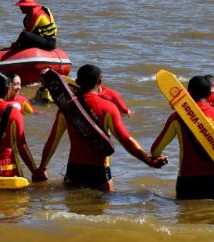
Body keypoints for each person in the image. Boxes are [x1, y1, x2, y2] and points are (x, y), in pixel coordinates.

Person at [36, 64, 165, 192]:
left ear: (77, 82)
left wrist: (42, 168)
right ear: (100, 81)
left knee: (73, 209)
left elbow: (52, 141)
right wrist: (149, 161)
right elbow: (126, 140)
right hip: (99, 171)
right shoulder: (108, 108)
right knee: (102, 210)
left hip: (74, 169)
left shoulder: (66, 108)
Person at [151, 75, 214, 199]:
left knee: (186, 217)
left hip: (186, 182)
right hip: (213, 181)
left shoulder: (177, 118)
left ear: (188, 93)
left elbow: (156, 150)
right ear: (209, 94)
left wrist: (159, 158)